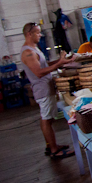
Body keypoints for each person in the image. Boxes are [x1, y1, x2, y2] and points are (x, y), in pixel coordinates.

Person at [20, 23, 74, 159]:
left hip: (46, 88)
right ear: (29, 34)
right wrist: (59, 64)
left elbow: (43, 65)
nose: (40, 35)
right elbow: (38, 72)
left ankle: (50, 145)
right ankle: (54, 150)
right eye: (37, 33)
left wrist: (61, 61)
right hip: (42, 89)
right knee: (46, 118)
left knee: (48, 118)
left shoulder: (34, 49)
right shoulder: (28, 52)